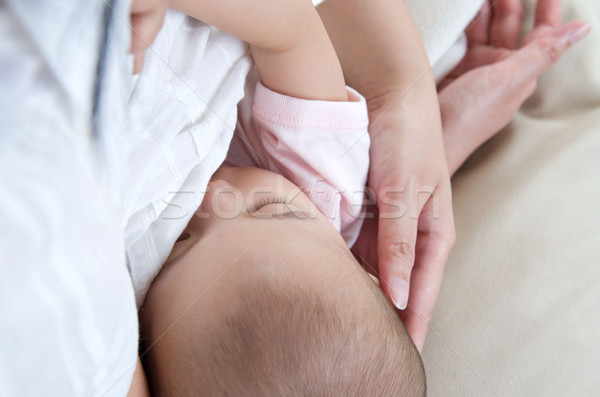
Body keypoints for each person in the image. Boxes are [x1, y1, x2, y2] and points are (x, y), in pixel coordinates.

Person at [139, 166, 426, 396]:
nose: (212, 194)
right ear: (364, 270)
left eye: (178, 244)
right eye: (270, 207)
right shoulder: (326, 174)